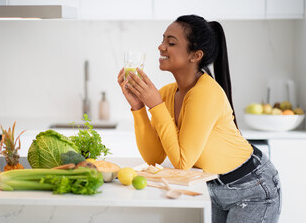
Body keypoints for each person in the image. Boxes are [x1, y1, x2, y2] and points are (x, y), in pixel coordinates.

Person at [117, 15, 281, 223]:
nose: (161, 47)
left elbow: (183, 162)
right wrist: (138, 107)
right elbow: (154, 157)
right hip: (211, 186)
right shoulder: (168, 93)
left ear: (195, 56)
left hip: (251, 188)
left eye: (171, 42)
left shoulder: (205, 93)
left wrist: (155, 105)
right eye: (163, 40)